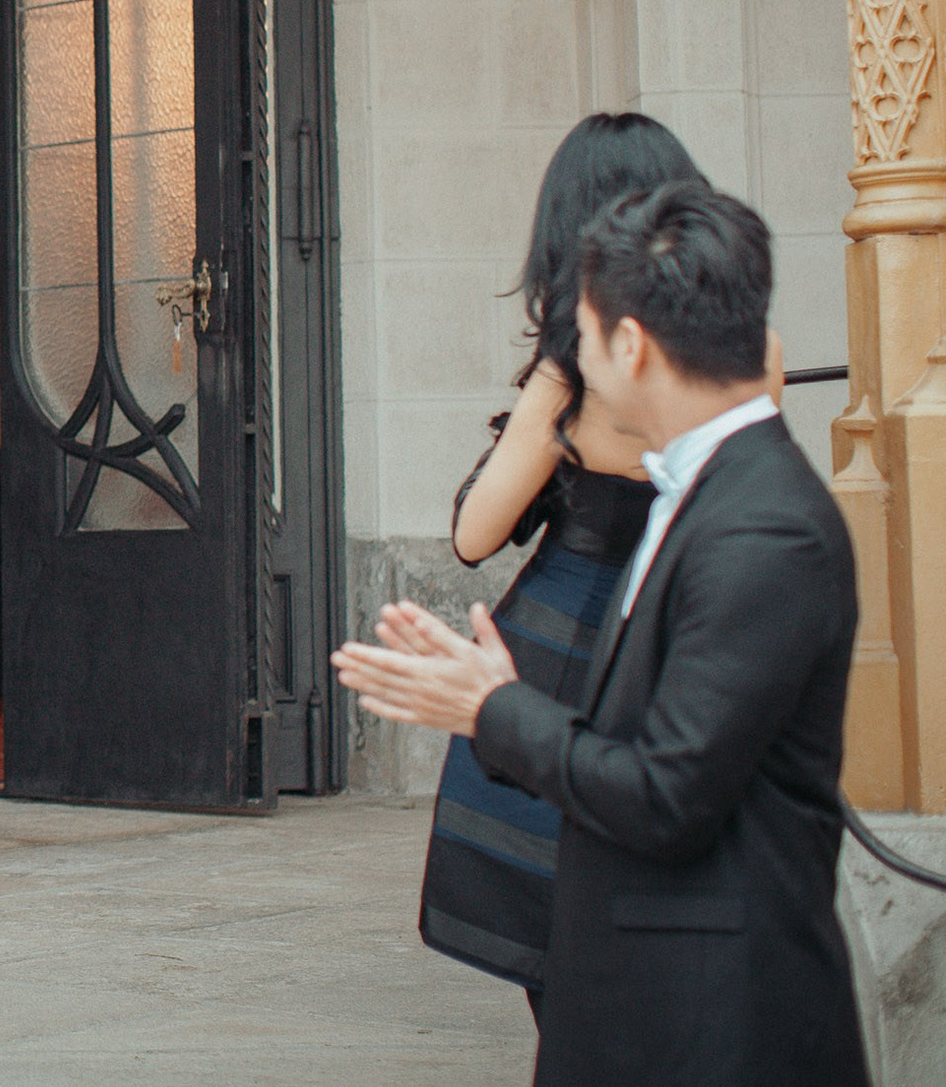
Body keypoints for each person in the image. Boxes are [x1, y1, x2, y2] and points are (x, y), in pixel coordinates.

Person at [336, 182, 866, 1087]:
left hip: (712, 1024)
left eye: (581, 330)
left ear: (630, 344)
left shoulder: (762, 529)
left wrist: (492, 709)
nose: (570, 354)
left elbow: (667, 793)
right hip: (647, 1001)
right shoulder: (702, 486)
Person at [420, 114, 708, 1000]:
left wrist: (548, 397)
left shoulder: (572, 378)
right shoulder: (725, 356)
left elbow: (475, 536)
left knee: (570, 953)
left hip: (565, 644)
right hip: (682, 632)